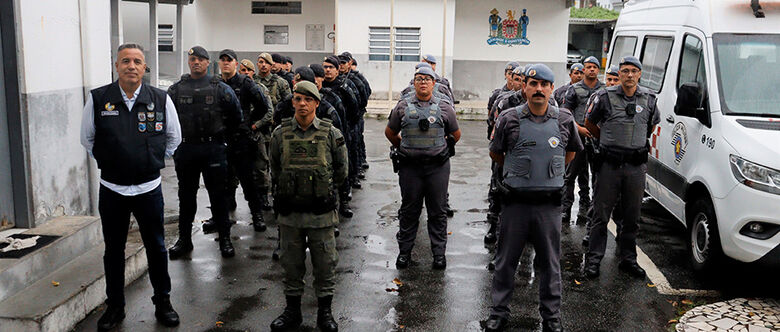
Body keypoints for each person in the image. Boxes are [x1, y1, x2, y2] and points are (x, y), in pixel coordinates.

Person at [80, 43, 181, 330]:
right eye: (126, 61)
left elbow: (174, 138)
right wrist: (114, 161)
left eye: (137, 61)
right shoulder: (99, 99)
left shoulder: (160, 99)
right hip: (112, 189)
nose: (131, 66)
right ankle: (115, 307)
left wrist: (149, 160)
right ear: (117, 66)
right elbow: (87, 140)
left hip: (149, 189)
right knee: (113, 250)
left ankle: (163, 302)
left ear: (144, 67)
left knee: (157, 247)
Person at [485, 64, 581, 332]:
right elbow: (496, 153)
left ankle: (551, 317)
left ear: (552, 88)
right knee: (505, 261)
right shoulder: (508, 118)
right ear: (524, 87)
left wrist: (551, 175)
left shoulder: (563, 119)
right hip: (516, 204)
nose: (539, 89)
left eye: (544, 85)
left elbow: (571, 151)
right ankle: (499, 312)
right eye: (533, 84)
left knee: (550, 263)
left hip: (548, 205)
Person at [269, 81, 348, 332]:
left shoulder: (331, 133)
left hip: (320, 215)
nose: (302, 104)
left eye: (307, 99)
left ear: (316, 103)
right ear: (292, 102)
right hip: (290, 215)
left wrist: (321, 191)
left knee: (325, 264)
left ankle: (325, 313)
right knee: (291, 264)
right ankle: (292, 312)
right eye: (298, 99)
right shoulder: (280, 134)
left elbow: (342, 171)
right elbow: (275, 167)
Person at [583, 56, 660, 279]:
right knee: (601, 215)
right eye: (624, 71)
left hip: (635, 166)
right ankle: (594, 260)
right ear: (620, 73)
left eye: (633, 71)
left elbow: (650, 125)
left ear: (639, 74)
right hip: (609, 164)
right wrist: (609, 142)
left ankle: (628, 259)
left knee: (632, 216)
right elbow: (590, 124)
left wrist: (633, 143)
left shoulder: (649, 99)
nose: (628, 75)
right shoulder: (604, 97)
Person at [167, 46, 244, 259]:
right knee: (186, 196)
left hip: (213, 149)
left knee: (219, 196)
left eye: (200, 59)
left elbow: (236, 117)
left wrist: (221, 139)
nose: (196, 63)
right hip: (187, 149)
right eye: (192, 59)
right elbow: (168, 121)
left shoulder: (220, 88)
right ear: (188, 62)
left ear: (207, 62)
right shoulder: (176, 90)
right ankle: (184, 240)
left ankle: (225, 240)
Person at [385, 66, 461, 270]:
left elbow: (456, 133)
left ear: (434, 83)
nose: (423, 82)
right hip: (411, 168)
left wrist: (442, 147)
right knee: (409, 211)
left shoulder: (444, 107)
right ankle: (404, 253)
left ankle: (438, 255)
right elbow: (390, 132)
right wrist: (405, 147)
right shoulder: (402, 106)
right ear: (414, 83)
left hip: (437, 168)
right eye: (419, 79)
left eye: (427, 79)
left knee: (437, 212)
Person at [214, 49, 273, 232]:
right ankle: (220, 217)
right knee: (221, 182)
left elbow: (263, 106)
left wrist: (248, 123)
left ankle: (256, 215)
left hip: (241, 140)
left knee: (248, 181)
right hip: (220, 140)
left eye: (229, 60)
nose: (225, 63)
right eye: (222, 60)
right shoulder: (214, 84)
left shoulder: (245, 83)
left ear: (236, 64)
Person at [581, 65, 622, 248]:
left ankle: (622, 235)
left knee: (623, 202)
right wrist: (602, 139)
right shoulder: (599, 98)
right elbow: (588, 122)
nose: (612, 83)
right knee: (599, 198)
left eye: (615, 80)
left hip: (624, 160)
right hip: (602, 154)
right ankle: (591, 231)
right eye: (610, 79)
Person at [561, 56, 605, 225]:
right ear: (584, 69)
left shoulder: (604, 90)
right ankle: (565, 209)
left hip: (597, 137)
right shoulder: (574, 89)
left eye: (595, 67)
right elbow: (566, 113)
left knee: (596, 177)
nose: (592, 69)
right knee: (570, 175)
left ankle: (588, 209)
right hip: (577, 136)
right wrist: (578, 129)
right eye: (588, 67)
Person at [312, 62, 354, 218]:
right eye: (312, 76)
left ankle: (343, 202)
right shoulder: (301, 98)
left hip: (332, 142)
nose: (315, 80)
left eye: (318, 76)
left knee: (339, 171)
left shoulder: (331, 98)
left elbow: (348, 113)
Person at [322, 56, 362, 191]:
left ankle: (348, 186)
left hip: (344, 129)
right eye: (325, 67)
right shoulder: (319, 87)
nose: (327, 70)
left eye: (331, 67)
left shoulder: (344, 86)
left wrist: (349, 127)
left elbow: (355, 107)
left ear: (337, 70)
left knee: (346, 158)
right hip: (324, 130)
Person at [487, 62, 520, 139]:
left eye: (515, 75)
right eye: (510, 73)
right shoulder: (497, 95)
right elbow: (491, 117)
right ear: (505, 75)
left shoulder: (525, 96)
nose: (511, 77)